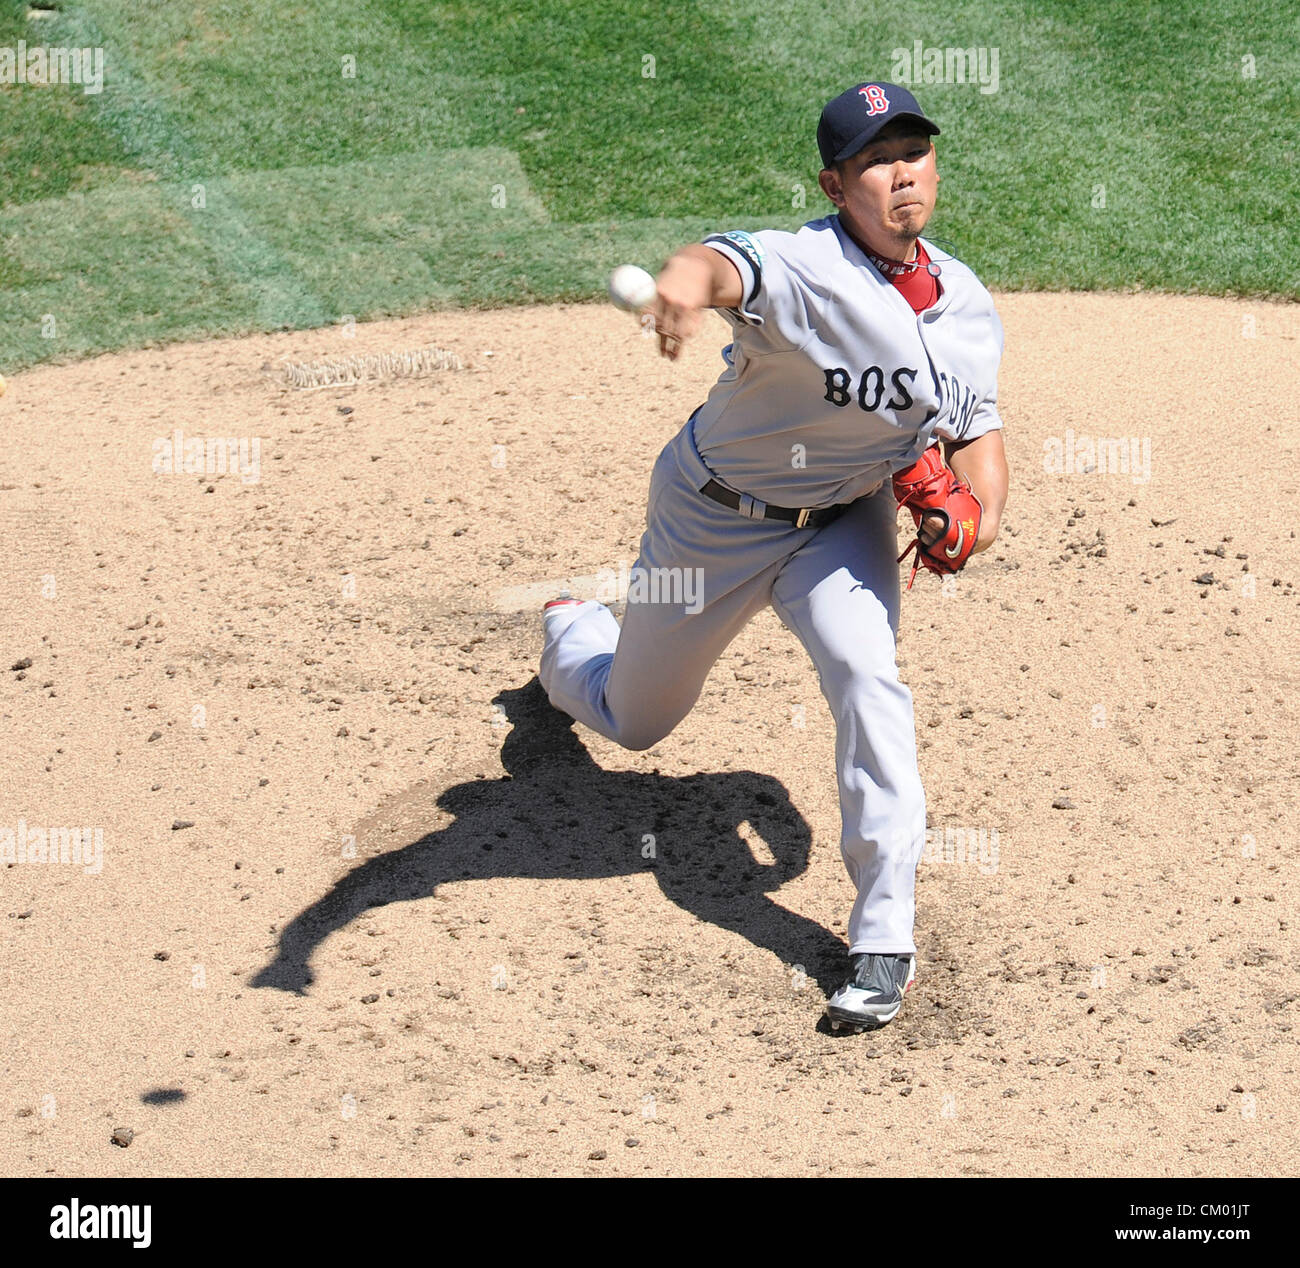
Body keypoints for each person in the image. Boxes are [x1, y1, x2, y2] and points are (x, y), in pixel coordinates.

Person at [539, 82, 1008, 1031]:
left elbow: (978, 444)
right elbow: (717, 265)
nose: (901, 174)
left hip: (841, 528)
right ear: (838, 185)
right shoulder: (804, 265)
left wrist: (974, 519)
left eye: (914, 152)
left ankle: (884, 936)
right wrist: (680, 281)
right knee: (632, 721)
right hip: (712, 521)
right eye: (877, 160)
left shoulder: (963, 304)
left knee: (865, 674)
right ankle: (570, 630)